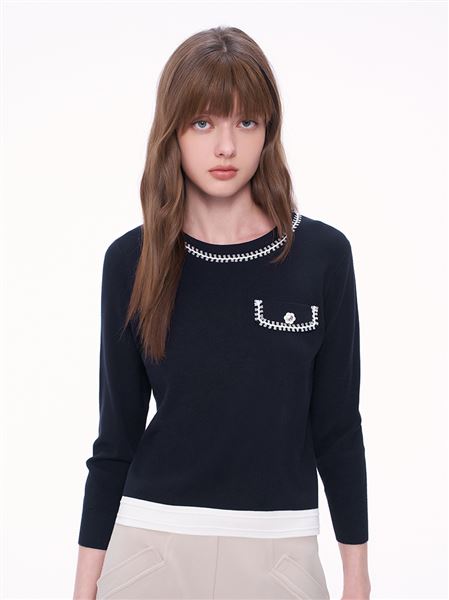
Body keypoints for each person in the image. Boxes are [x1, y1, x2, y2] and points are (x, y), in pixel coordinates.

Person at [73, 25, 371, 600]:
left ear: (269, 130)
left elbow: (337, 427)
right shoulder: (132, 260)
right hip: (150, 547)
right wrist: (83, 589)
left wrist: (356, 575)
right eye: (203, 123)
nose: (226, 147)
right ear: (174, 131)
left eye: (246, 122)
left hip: (279, 552)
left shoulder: (322, 256)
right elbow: (115, 441)